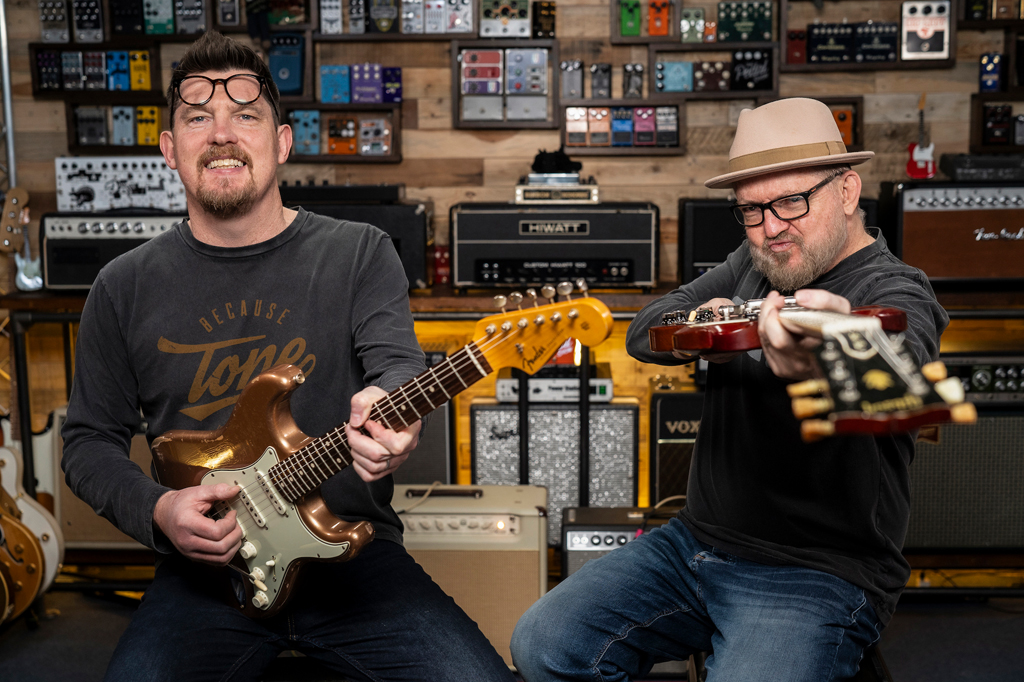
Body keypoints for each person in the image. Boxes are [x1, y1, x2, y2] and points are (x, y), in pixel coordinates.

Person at [61, 31, 515, 682]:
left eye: (245, 116)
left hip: (354, 556)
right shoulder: (122, 286)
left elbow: (396, 367)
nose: (222, 134)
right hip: (207, 574)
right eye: (198, 119)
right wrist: (159, 511)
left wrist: (393, 408)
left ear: (281, 143)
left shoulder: (359, 252)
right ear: (169, 149)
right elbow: (87, 443)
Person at [511, 97, 948, 681]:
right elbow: (645, 329)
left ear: (847, 191)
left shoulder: (896, 288)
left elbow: (901, 369)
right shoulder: (753, 261)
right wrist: (700, 330)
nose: (771, 228)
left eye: (791, 201)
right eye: (751, 210)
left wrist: (823, 356)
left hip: (818, 572)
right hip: (692, 544)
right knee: (544, 643)